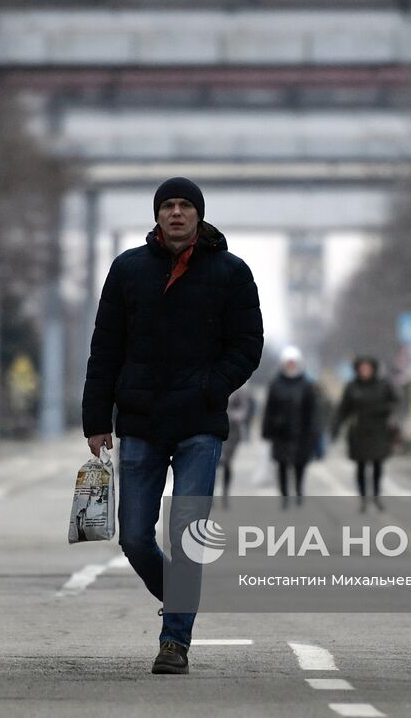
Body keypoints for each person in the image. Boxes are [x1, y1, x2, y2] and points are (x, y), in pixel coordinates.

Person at [83, 177, 264, 675]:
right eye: (168, 206)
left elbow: (248, 344)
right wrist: (97, 420)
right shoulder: (128, 270)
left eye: (185, 205)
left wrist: (213, 386)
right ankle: (183, 596)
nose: (177, 213)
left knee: (185, 532)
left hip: (198, 424)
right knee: (135, 537)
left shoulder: (231, 273)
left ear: (199, 215)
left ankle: (175, 641)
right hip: (139, 421)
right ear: (157, 214)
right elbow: (105, 349)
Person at [331, 356, 400, 512]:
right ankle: (363, 498)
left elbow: (395, 401)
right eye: (362, 368)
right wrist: (335, 427)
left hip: (378, 430)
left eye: (368, 368)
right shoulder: (352, 387)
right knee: (361, 465)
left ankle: (376, 495)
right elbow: (343, 409)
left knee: (377, 464)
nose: (365, 371)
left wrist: (385, 410)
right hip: (359, 431)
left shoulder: (383, 385)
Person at [262, 346, 318, 508]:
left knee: (300, 464)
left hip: (302, 432)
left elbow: (312, 410)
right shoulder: (276, 384)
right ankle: (285, 495)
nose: (291, 366)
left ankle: (299, 490)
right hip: (281, 432)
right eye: (288, 363)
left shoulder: (306, 385)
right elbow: (269, 409)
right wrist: (267, 430)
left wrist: (313, 431)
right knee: (281, 465)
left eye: (293, 363)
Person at [220, 385, 256, 504]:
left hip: (232, 431)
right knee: (212, 464)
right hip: (215, 428)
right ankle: (210, 495)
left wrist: (232, 416)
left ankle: (225, 493)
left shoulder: (240, 388)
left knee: (226, 462)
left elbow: (244, 409)